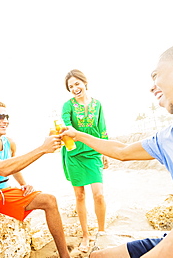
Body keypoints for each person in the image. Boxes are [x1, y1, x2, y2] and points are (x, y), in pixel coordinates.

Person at [61, 39, 173, 257]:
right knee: (99, 256)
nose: (151, 86)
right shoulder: (170, 136)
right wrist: (78, 135)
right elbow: (122, 151)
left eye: (156, 75)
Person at [0, 101, 71, 258]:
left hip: (4, 193)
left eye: (6, 116)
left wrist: (23, 184)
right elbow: (2, 168)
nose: (5, 120)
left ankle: (65, 255)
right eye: (0, 116)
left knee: (49, 200)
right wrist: (42, 149)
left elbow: (13, 165)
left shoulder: (9, 143)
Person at [61, 69, 109, 253]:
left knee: (99, 194)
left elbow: (102, 128)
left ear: (85, 83)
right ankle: (85, 235)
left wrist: (104, 151)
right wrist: (71, 132)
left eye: (77, 83)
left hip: (94, 151)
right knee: (80, 195)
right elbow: (67, 125)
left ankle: (102, 232)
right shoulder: (68, 105)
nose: (75, 88)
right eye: (71, 86)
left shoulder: (98, 105)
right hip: (74, 152)